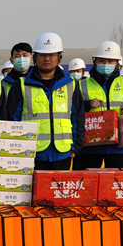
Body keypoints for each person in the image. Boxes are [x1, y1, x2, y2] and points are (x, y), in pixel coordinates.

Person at [12, 32, 84, 171]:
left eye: (51, 55)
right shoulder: (21, 84)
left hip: (62, 153)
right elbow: (12, 119)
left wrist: (76, 147)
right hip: (30, 154)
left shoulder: (70, 84)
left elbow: (78, 117)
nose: (47, 59)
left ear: (59, 57)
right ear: (35, 57)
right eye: (42, 55)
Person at [76, 41, 123, 169]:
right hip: (91, 144)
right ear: (94, 61)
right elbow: (74, 108)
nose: (106, 64)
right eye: (102, 60)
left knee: (116, 179)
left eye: (110, 61)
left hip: (119, 144)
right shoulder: (82, 84)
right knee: (90, 179)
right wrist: (88, 104)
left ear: (117, 63)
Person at [0, 42, 33, 120]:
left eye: (25, 55)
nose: (21, 59)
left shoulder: (38, 82)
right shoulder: (3, 84)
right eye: (17, 56)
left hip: (32, 126)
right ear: (11, 60)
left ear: (31, 58)